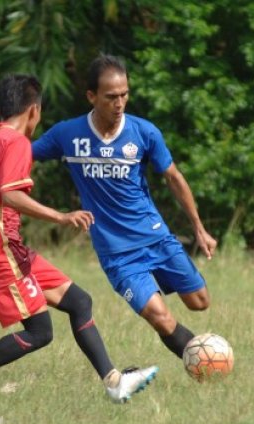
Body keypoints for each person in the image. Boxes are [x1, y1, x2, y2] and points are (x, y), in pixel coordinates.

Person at [0, 74, 158, 404]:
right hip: (1, 253)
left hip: (6, 251)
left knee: (79, 302)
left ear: (1, 108)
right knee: (40, 332)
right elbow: (10, 195)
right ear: (34, 110)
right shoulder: (17, 143)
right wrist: (61, 216)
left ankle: (114, 382)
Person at [32, 54, 218, 367]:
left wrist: (199, 227)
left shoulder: (145, 133)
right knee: (160, 317)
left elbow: (173, 177)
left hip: (156, 238)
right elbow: (21, 155)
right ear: (91, 96)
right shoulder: (68, 134)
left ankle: (204, 357)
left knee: (200, 302)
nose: (120, 103)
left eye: (124, 95)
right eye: (111, 97)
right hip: (118, 254)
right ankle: (205, 363)